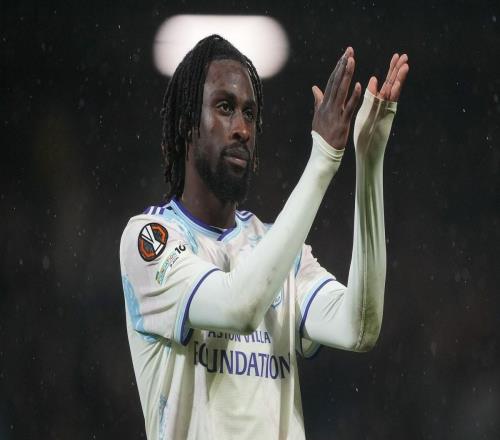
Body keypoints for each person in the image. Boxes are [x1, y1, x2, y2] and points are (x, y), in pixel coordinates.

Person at [119, 34, 409, 440]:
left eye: (250, 113)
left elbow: (358, 327)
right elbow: (240, 307)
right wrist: (323, 159)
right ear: (187, 123)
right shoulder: (151, 241)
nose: (242, 128)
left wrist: (369, 159)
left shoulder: (279, 251)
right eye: (225, 107)